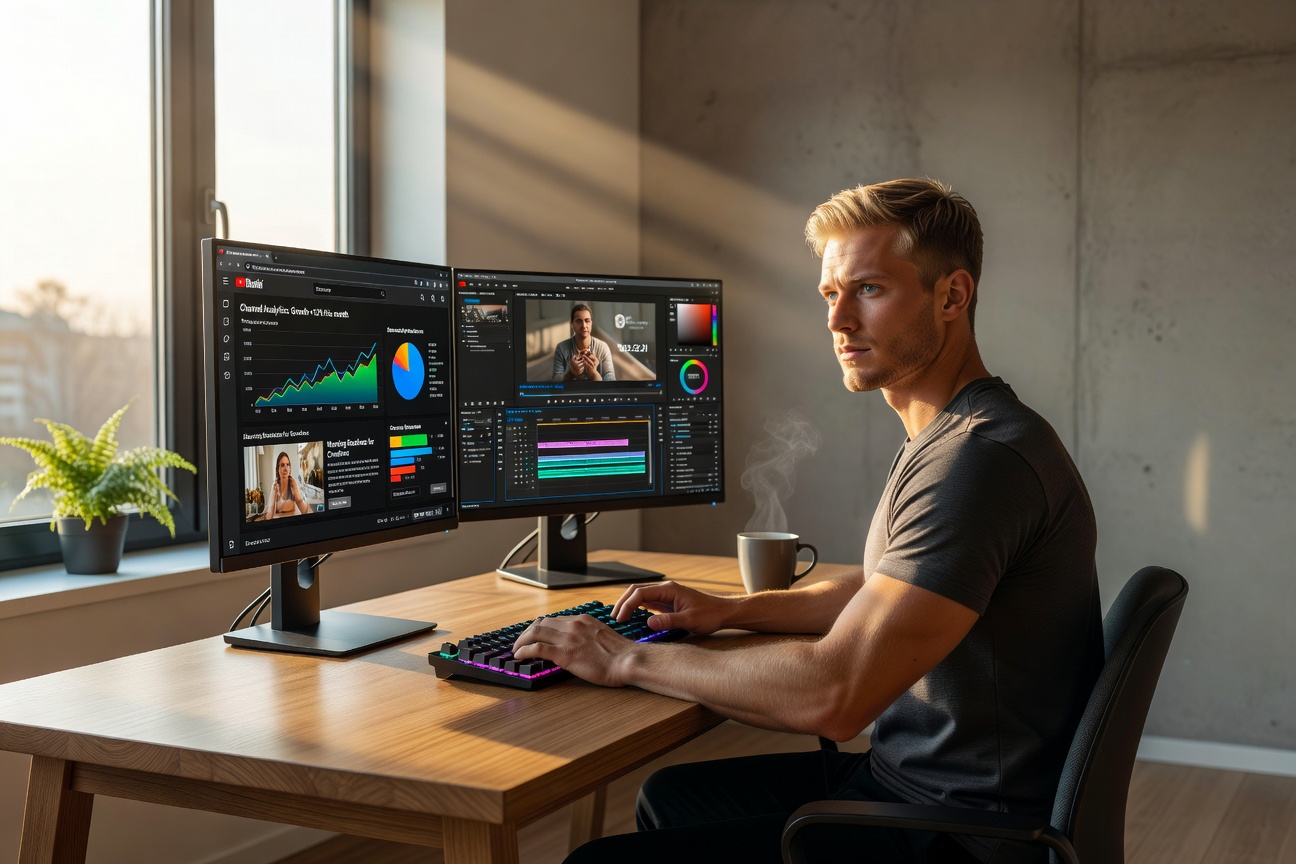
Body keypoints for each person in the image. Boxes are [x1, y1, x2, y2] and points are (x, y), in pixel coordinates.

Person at [514, 178, 1103, 864]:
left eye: (870, 290)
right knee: (669, 797)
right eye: (831, 294)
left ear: (951, 296)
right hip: (917, 785)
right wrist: (730, 610)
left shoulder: (979, 461)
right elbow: (882, 590)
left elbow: (836, 695)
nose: (837, 321)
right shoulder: (951, 434)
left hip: (959, 833)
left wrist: (625, 657)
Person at [552, 303, 615, 381]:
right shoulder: (561, 348)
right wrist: (571, 373)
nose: (584, 326)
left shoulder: (603, 347)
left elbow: (610, 379)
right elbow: (556, 381)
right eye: (579, 321)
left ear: (591, 323)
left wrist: (594, 374)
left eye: (587, 321)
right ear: (572, 324)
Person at [265, 451, 310, 518]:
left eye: (288, 465)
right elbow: (269, 516)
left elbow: (304, 511)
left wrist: (297, 494)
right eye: (282, 465)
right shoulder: (275, 486)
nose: (285, 469)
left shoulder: (293, 483)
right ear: (278, 469)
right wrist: (274, 496)